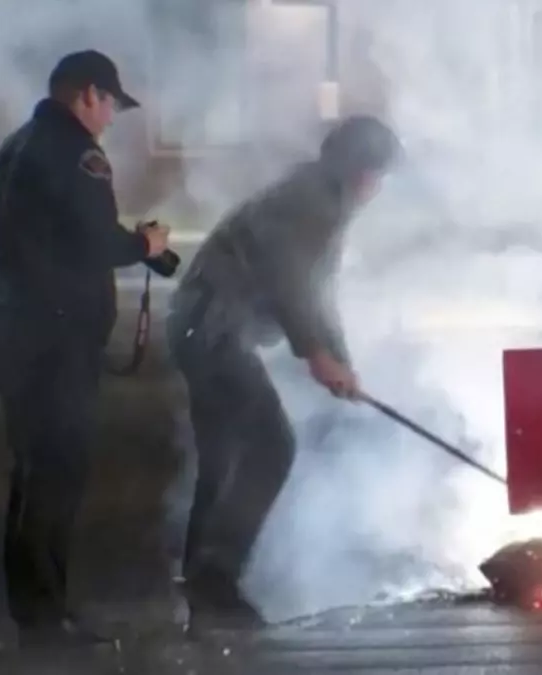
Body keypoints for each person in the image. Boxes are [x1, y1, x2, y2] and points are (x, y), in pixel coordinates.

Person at [166, 115, 400, 622]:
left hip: (201, 328)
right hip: (214, 331)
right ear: (360, 170)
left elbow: (319, 296)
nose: (378, 188)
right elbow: (288, 280)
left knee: (223, 455)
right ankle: (215, 576)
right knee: (272, 445)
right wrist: (315, 352)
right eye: (377, 175)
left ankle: (201, 578)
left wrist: (341, 361)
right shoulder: (310, 202)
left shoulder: (322, 201)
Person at [0, 49, 170, 648]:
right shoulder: (77, 153)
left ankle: (32, 609)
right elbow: (91, 239)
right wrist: (144, 243)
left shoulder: (17, 146)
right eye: (110, 103)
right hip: (56, 343)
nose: (111, 116)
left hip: (17, 333)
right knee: (57, 475)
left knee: (32, 475)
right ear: (88, 94)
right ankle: (45, 616)